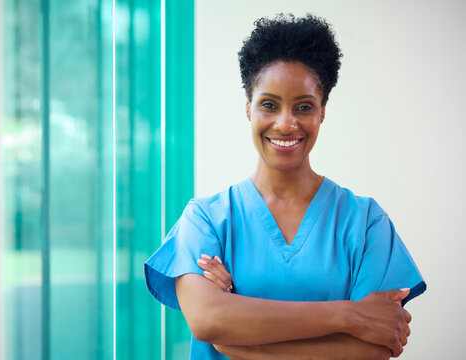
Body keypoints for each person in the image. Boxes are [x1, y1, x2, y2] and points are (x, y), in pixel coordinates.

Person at [144, 13, 426, 360]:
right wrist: (350, 315)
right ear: (248, 108)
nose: (285, 123)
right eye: (269, 105)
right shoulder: (205, 219)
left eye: (303, 107)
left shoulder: (366, 222)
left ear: (322, 111)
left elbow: (374, 350)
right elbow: (207, 320)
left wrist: (237, 338)